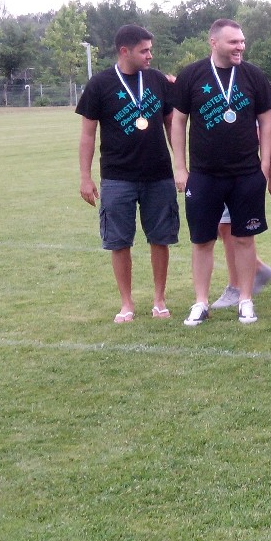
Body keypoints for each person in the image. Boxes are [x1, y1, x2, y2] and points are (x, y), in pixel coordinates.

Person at [169, 18, 271, 327]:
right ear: (214, 42)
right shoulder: (192, 75)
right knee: (202, 240)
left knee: (244, 238)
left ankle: (245, 299)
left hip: (246, 173)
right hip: (204, 175)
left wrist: (264, 165)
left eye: (242, 41)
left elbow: (266, 121)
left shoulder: (253, 75)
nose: (240, 46)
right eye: (234, 42)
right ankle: (201, 302)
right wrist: (180, 167)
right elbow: (178, 121)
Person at [76, 24, 177, 323]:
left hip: (159, 175)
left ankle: (159, 300)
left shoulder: (157, 80)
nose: (150, 55)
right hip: (117, 177)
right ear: (125, 51)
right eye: (144, 51)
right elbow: (87, 134)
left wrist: (182, 165)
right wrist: (85, 177)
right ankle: (127, 303)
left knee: (160, 238)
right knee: (119, 241)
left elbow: (171, 124)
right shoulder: (100, 84)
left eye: (150, 50)